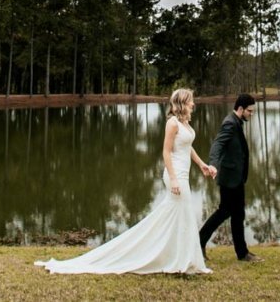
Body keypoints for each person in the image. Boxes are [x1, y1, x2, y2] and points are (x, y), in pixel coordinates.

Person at [35, 88, 216, 275]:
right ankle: (179, 260)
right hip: (175, 175)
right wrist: (173, 179)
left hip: (183, 174)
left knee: (180, 215)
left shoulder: (184, 123)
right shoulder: (172, 123)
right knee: (182, 213)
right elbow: (166, 152)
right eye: (190, 101)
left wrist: (202, 165)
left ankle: (181, 259)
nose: (193, 104)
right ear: (182, 103)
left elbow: (187, 147)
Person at [198, 93, 262, 262]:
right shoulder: (229, 123)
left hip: (236, 177)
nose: (251, 114)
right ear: (240, 109)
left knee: (237, 214)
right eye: (250, 111)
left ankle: (242, 253)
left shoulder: (236, 122)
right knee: (225, 212)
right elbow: (217, 144)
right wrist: (212, 164)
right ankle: (200, 241)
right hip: (230, 179)